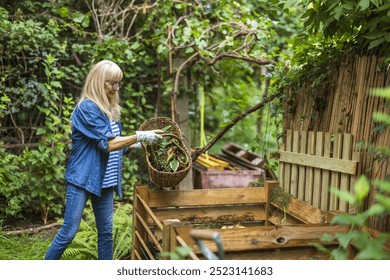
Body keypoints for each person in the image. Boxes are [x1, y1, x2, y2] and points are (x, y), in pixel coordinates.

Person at [44, 60, 162, 260]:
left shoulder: (112, 109)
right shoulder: (87, 108)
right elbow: (108, 144)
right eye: (111, 83)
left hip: (105, 180)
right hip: (82, 177)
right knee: (69, 232)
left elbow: (116, 144)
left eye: (118, 83)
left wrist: (138, 144)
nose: (116, 88)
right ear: (99, 82)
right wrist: (140, 136)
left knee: (106, 233)